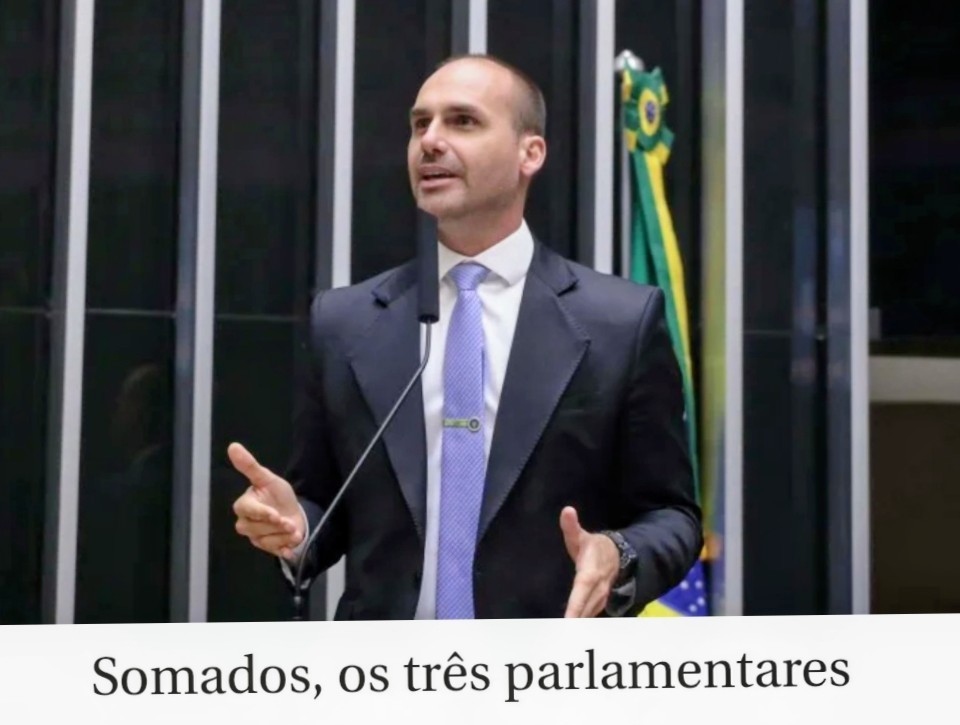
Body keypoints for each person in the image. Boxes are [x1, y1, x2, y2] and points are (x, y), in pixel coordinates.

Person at [228, 54, 702, 619]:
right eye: (419, 124)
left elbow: (672, 516)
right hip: (383, 669)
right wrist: (295, 525)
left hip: (546, 664)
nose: (430, 141)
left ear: (531, 153)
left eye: (463, 121)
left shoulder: (620, 322)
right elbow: (323, 503)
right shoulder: (346, 321)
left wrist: (617, 554)